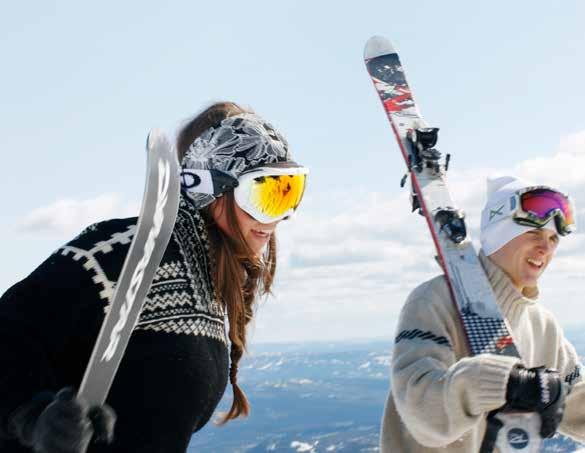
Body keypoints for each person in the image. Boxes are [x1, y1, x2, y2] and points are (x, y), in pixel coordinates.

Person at [0, 102, 309, 453]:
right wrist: (33, 418)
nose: (282, 216)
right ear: (212, 187)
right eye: (266, 194)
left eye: (291, 190)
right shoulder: (119, 254)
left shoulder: (208, 285)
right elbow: (10, 332)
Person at [380, 175, 585, 452]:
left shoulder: (542, 325)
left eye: (552, 238)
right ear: (499, 235)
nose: (546, 248)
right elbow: (421, 410)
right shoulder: (434, 301)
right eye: (534, 234)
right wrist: (504, 383)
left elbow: (579, 403)